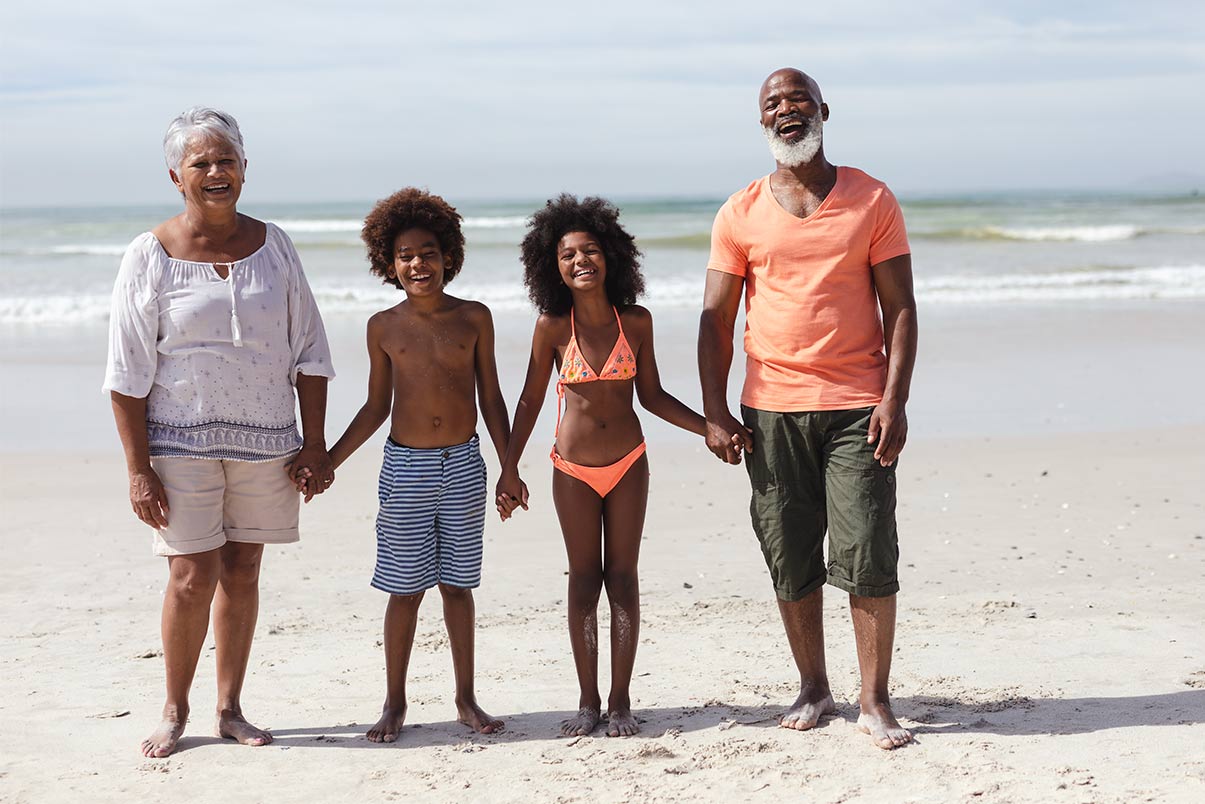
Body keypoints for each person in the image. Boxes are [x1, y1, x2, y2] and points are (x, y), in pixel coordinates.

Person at [698, 68, 919, 750]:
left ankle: (874, 699)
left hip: (858, 406)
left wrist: (894, 399)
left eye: (798, 99)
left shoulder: (871, 198)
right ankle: (814, 686)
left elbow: (899, 307)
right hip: (769, 411)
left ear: (823, 110)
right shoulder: (738, 212)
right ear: (761, 120)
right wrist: (713, 410)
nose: (786, 110)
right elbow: (715, 319)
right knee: (788, 552)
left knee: (866, 547)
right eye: (773, 103)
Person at [103, 107, 335, 758]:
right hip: (180, 444)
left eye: (225, 159)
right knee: (189, 575)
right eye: (200, 162)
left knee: (243, 568)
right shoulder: (149, 254)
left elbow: (310, 350)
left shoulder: (276, 246)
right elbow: (126, 373)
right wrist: (138, 469)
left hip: (267, 443)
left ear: (244, 169)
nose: (215, 171)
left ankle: (230, 708)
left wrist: (315, 442)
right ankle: (174, 711)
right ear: (176, 177)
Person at [496, 195, 706, 737]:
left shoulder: (635, 321)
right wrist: (509, 469)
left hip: (629, 464)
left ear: (610, 255)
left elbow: (653, 396)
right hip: (572, 470)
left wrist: (709, 427)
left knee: (624, 578)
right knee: (584, 579)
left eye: (590, 250)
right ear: (553, 267)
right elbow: (529, 401)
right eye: (567, 255)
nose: (580, 260)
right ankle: (588, 701)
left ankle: (620, 701)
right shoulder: (552, 326)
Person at [315, 188, 520, 743]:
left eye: (428, 253)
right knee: (404, 590)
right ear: (389, 264)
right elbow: (375, 407)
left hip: (465, 464)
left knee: (457, 587)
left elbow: (492, 398)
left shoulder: (474, 317)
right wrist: (330, 460)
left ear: (448, 256)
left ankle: (466, 698)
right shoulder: (383, 326)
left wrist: (509, 467)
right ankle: (394, 702)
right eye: (405, 255)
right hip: (406, 468)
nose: (418, 264)